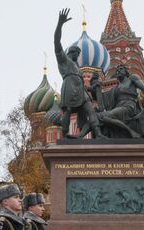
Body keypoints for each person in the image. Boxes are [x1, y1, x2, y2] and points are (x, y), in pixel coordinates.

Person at [54, 8, 105, 139]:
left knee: (90, 109)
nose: (78, 54)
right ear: (71, 53)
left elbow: (83, 82)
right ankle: (65, 134)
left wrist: (92, 89)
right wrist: (60, 24)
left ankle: (98, 133)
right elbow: (56, 42)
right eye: (76, 52)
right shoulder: (64, 60)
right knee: (69, 110)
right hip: (69, 87)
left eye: (79, 53)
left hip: (81, 90)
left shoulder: (77, 68)